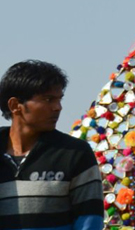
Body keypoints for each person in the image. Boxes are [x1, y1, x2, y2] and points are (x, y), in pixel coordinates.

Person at [1, 60, 102, 230]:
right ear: (15, 106)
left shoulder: (74, 153)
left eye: (59, 99)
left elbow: (89, 221)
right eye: (48, 99)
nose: (58, 107)